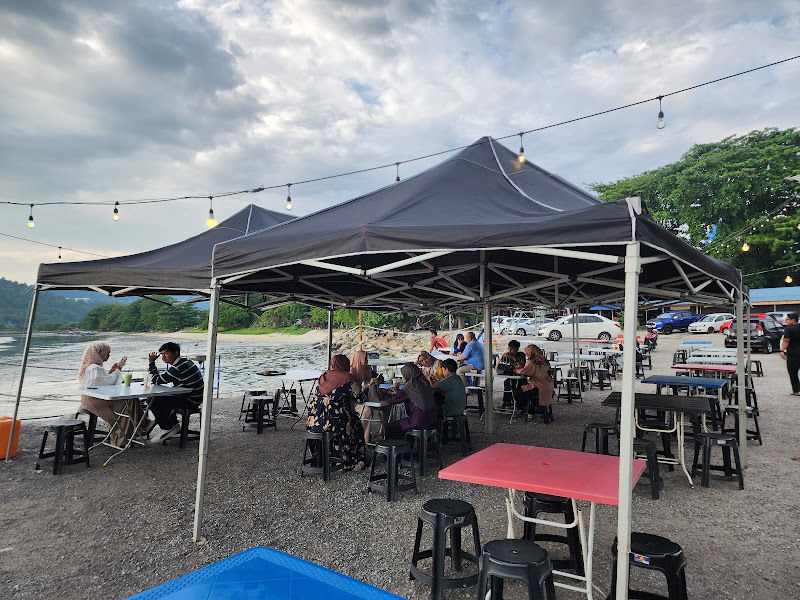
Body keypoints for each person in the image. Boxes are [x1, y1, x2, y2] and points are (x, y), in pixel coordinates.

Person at [307, 355, 367, 470]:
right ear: (344, 364)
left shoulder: (323, 376)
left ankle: (323, 457)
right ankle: (350, 459)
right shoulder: (347, 378)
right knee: (356, 424)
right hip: (335, 423)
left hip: (314, 422)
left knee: (346, 419)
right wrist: (368, 388)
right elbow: (360, 399)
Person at [78, 342, 141, 447]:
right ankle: (129, 433)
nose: (109, 355)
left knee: (129, 401)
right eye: (107, 353)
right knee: (129, 402)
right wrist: (118, 369)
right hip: (95, 400)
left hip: (89, 398)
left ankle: (135, 428)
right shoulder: (94, 368)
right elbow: (107, 382)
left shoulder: (92, 367)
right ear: (99, 353)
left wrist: (112, 371)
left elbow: (102, 381)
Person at [148, 342, 204, 442]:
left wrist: (151, 363)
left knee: (153, 400)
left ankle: (168, 427)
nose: (163, 356)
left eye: (166, 353)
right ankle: (172, 425)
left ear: (175, 353)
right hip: (194, 396)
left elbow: (157, 380)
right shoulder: (184, 362)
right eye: (161, 354)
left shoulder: (178, 366)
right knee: (158, 399)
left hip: (191, 400)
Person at [383, 363, 438, 438]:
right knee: (404, 423)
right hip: (432, 418)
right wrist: (399, 392)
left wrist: (384, 393)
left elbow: (392, 400)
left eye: (403, 375)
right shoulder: (424, 381)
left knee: (390, 427)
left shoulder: (411, 385)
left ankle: (396, 448)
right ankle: (408, 446)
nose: (402, 377)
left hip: (420, 420)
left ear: (408, 374)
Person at [350, 350, 383, 444]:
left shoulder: (366, 370)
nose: (367, 361)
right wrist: (366, 387)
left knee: (386, 406)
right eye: (365, 359)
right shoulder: (350, 373)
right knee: (367, 410)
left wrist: (377, 380)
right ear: (358, 360)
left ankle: (384, 429)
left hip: (361, 398)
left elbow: (380, 377)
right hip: (352, 402)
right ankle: (364, 441)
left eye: (367, 359)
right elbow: (354, 395)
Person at [512, 344, 554, 417]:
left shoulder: (532, 361)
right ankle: (532, 408)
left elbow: (524, 372)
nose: (527, 354)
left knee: (517, 392)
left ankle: (524, 409)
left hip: (539, 388)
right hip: (549, 387)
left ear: (530, 352)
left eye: (527, 352)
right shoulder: (544, 360)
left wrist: (516, 370)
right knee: (525, 389)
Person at [496, 340, 526, 407]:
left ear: (517, 349)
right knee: (507, 382)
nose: (510, 350)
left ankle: (506, 402)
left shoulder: (521, 355)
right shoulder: (507, 355)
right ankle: (506, 402)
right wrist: (501, 358)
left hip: (521, 378)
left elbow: (523, 367)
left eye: (512, 349)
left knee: (508, 383)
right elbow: (497, 368)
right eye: (509, 348)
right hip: (512, 377)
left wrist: (514, 358)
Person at [781, 312, 800, 398]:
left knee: (793, 372)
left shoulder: (788, 329)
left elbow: (786, 341)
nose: (785, 321)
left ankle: (796, 391)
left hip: (793, 353)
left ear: (793, 320)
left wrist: (782, 350)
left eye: (787, 319)